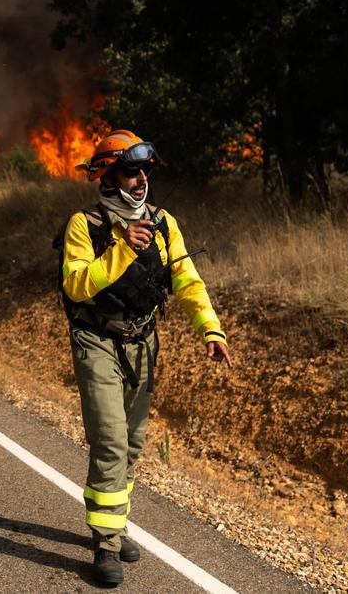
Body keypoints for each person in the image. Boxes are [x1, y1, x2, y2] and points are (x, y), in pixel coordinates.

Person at [60, 130, 233, 585]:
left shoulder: (163, 222)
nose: (140, 181)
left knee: (133, 443)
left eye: (144, 172)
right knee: (112, 440)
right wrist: (122, 249)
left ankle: (114, 521)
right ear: (108, 176)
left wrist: (209, 328)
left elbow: (187, 280)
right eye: (130, 172)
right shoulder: (86, 224)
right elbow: (77, 285)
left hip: (143, 344)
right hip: (96, 340)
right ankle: (105, 542)